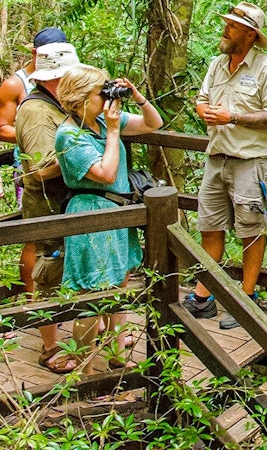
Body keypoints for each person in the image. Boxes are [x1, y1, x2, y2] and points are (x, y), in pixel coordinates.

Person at [183, 1, 267, 330]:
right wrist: (206, 112)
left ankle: (247, 300)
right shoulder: (217, 64)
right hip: (216, 159)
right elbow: (201, 101)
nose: (225, 29)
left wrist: (233, 117)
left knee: (251, 232)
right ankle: (204, 297)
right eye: (226, 23)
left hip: (251, 163)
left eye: (232, 25)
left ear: (250, 34)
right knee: (209, 227)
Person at [55, 65, 163, 374]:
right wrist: (115, 132)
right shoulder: (70, 135)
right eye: (99, 93)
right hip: (91, 213)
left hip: (118, 212)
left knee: (119, 283)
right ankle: (85, 370)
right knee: (91, 295)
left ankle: (117, 355)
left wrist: (138, 98)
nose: (106, 97)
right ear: (79, 100)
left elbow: (153, 124)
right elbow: (105, 173)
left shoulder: (103, 121)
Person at [15, 41, 80, 373]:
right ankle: (50, 348)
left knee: (62, 271)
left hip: (62, 205)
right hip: (47, 207)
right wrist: (82, 150)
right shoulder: (38, 111)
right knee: (48, 275)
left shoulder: (56, 103)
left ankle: (63, 333)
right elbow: (41, 168)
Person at [0, 27, 68, 295]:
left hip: (61, 164)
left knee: (61, 235)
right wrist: (34, 135)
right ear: (34, 53)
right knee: (35, 236)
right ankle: (32, 300)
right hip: (31, 164)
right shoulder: (15, 84)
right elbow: (2, 127)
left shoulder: (67, 77)